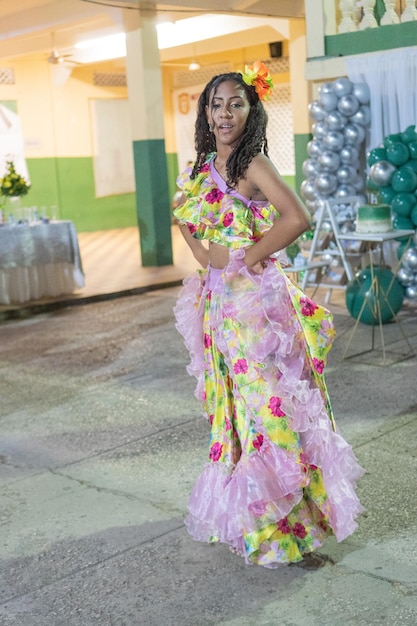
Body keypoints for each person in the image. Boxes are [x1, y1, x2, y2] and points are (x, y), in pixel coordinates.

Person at [173, 62, 364, 568]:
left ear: (251, 109)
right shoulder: (202, 167)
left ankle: (287, 530)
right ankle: (251, 523)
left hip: (252, 305)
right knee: (234, 414)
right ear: (205, 113)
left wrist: (246, 258)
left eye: (236, 103)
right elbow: (190, 227)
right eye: (216, 104)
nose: (225, 113)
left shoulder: (251, 164)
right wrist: (204, 250)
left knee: (267, 409)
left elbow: (297, 217)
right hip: (217, 306)